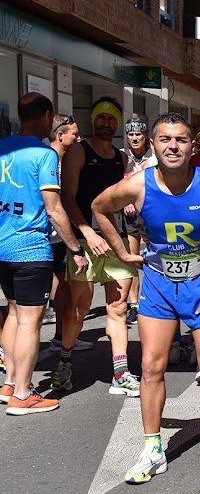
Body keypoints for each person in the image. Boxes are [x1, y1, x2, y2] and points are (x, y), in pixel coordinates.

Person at [92, 112, 200, 484]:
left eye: (181, 140)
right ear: (153, 145)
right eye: (165, 139)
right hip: (158, 284)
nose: (173, 146)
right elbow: (98, 207)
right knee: (153, 367)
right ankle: (153, 450)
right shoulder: (137, 185)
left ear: (193, 146)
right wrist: (121, 253)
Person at [0, 93, 88, 414]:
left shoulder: (2, 147)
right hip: (30, 249)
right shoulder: (44, 154)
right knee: (29, 322)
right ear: (48, 116)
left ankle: (9, 383)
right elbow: (54, 208)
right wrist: (75, 249)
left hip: (2, 247)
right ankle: (23, 395)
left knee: (13, 313)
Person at [59, 96, 139, 397]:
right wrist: (86, 235)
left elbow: (119, 198)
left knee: (118, 307)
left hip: (114, 240)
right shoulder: (79, 152)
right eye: (102, 118)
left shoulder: (120, 158)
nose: (107, 123)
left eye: (112, 118)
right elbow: (67, 198)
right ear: (94, 120)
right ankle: (64, 361)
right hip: (84, 241)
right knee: (78, 310)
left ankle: (121, 373)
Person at [45, 114, 94, 354]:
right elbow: (53, 205)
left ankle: (60, 336)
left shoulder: (65, 158)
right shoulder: (50, 160)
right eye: (74, 134)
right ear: (60, 134)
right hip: (50, 235)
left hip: (59, 235)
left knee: (63, 283)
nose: (78, 138)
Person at [122, 114, 157, 326]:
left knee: (155, 257)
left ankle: (153, 297)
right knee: (131, 258)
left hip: (150, 214)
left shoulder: (152, 158)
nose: (135, 138)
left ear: (145, 137)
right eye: (131, 134)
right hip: (129, 216)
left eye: (139, 134)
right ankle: (134, 304)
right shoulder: (122, 157)